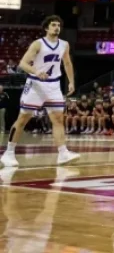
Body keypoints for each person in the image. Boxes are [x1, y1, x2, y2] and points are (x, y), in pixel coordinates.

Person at [1, 15, 79, 168]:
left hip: (54, 85)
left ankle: (63, 153)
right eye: (53, 25)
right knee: (23, 119)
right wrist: (36, 72)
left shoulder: (64, 44)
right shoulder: (38, 44)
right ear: (46, 28)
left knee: (58, 120)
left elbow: (67, 63)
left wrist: (71, 82)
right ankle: (8, 153)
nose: (56, 28)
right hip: (36, 84)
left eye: (58, 25)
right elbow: (23, 63)